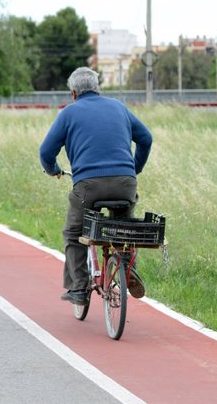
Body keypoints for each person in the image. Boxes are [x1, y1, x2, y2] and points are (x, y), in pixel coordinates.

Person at [39, 67, 153, 306]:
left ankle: (78, 288)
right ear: (98, 88)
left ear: (73, 93)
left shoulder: (68, 114)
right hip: (125, 183)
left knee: (73, 233)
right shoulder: (119, 107)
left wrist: (53, 170)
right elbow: (146, 138)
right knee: (124, 228)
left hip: (88, 186)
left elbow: (46, 151)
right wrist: (134, 168)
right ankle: (126, 268)